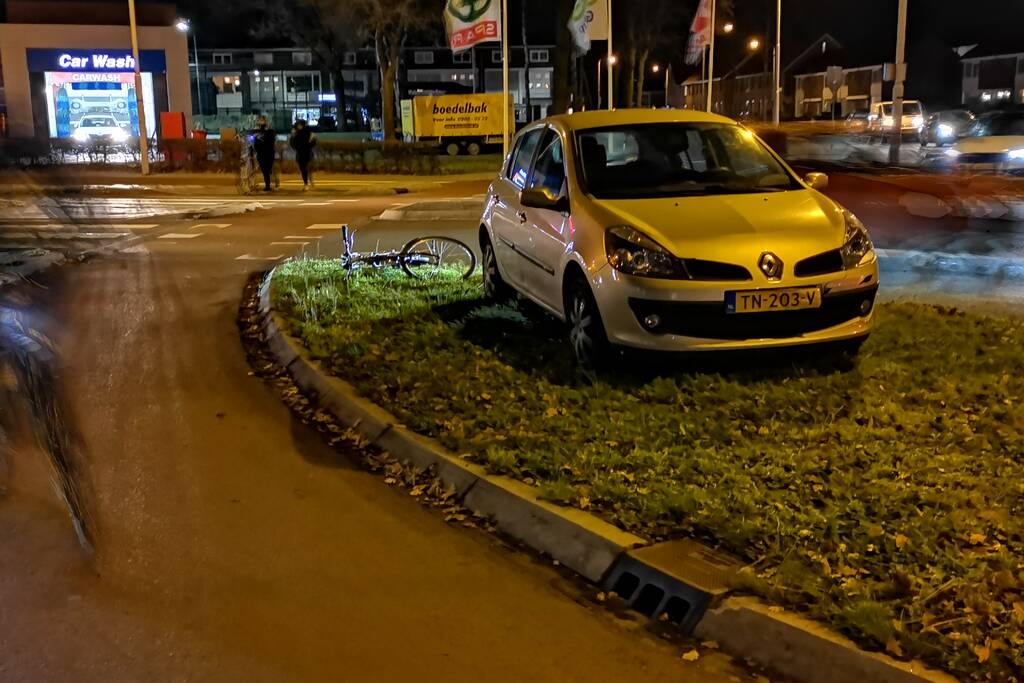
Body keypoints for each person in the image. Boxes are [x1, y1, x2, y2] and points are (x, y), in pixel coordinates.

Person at [289, 119, 317, 189]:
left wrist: (309, 143)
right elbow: (293, 144)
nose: (299, 126)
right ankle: (306, 183)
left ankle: (311, 180)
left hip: (308, 153)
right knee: (303, 169)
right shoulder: (296, 133)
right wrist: (292, 137)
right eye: (298, 125)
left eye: (300, 125)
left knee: (310, 168)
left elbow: (313, 143)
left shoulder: (308, 133)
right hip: (300, 153)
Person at [252, 115, 277, 192]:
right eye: (260, 120)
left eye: (263, 120)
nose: (261, 122)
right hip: (261, 153)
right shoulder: (256, 131)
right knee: (265, 170)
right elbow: (254, 142)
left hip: (269, 153)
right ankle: (267, 186)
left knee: (268, 169)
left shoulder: (269, 131)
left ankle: (272, 183)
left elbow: (272, 140)